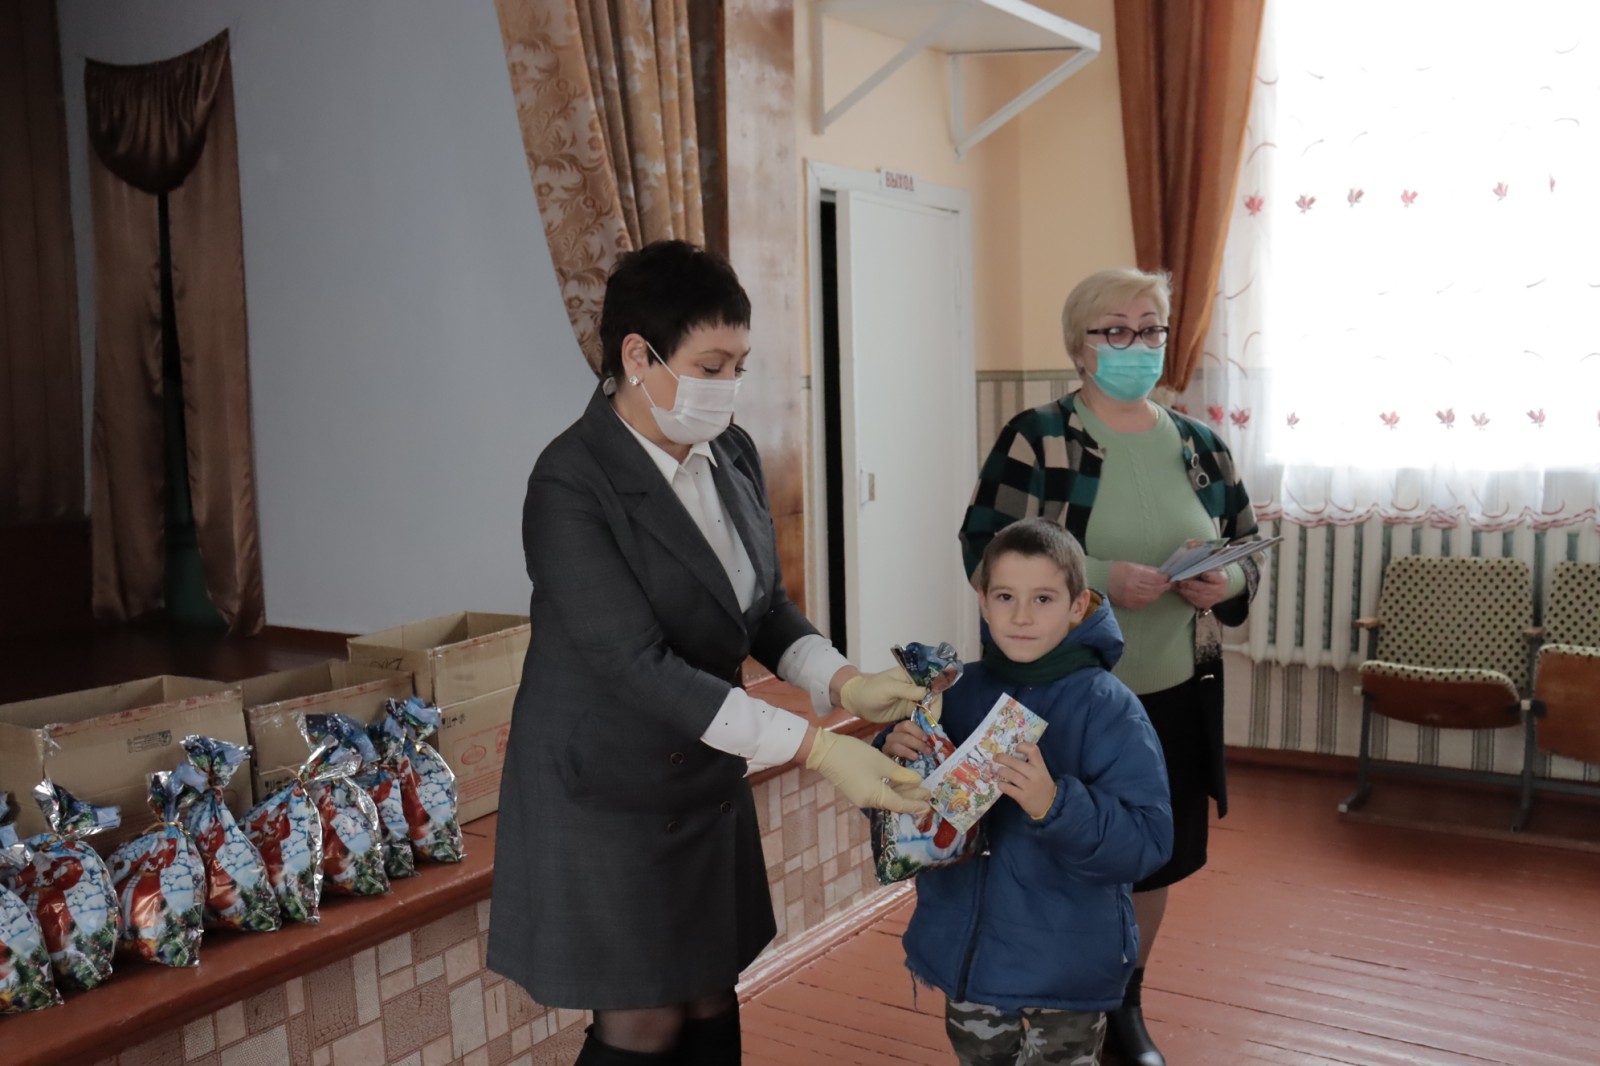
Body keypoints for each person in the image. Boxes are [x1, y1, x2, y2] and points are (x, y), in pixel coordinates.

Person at [487, 240, 933, 1066]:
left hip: (702, 768)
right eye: (712, 366)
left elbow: (761, 607)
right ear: (638, 356)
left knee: (707, 997)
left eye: (740, 366)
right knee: (644, 1021)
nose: (730, 386)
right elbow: (636, 665)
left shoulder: (729, 452)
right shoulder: (570, 484)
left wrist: (843, 681)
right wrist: (816, 749)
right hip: (608, 787)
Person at [958, 268, 1261, 1066]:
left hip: (1175, 693)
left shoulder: (1201, 445)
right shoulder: (1038, 436)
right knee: (1061, 848)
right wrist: (1096, 578)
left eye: (1150, 328)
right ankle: (1056, 1006)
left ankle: (1124, 1003)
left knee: (1155, 857)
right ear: (1080, 345)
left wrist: (1224, 582)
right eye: (1115, 330)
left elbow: (1246, 549)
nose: (1137, 344)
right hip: (1064, 699)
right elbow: (985, 549)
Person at [884, 518, 1172, 1066]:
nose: (1021, 616)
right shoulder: (952, 694)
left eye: (1042, 598)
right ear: (983, 602)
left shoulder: (1109, 708)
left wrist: (1054, 805)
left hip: (1066, 966)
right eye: (1005, 597)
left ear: (1077, 605)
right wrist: (893, 761)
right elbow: (900, 825)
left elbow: (1148, 842)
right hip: (968, 957)